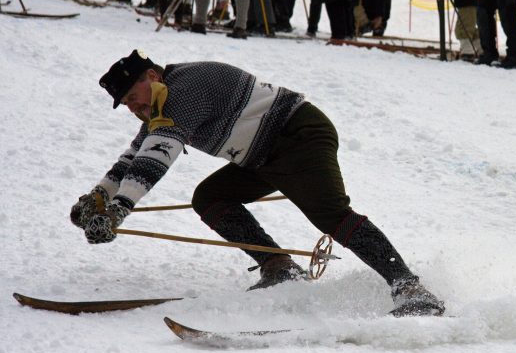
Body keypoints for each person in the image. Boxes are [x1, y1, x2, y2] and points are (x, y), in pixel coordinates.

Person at [71, 51, 445, 316]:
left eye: (133, 98)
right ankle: (279, 266)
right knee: (211, 198)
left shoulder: (185, 90)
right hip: (261, 156)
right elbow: (136, 153)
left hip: (298, 136)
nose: (136, 109)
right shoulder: (163, 103)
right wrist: (99, 196)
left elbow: (156, 158)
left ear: (151, 77)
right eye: (128, 105)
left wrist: (119, 210)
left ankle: (411, 288)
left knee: (330, 215)